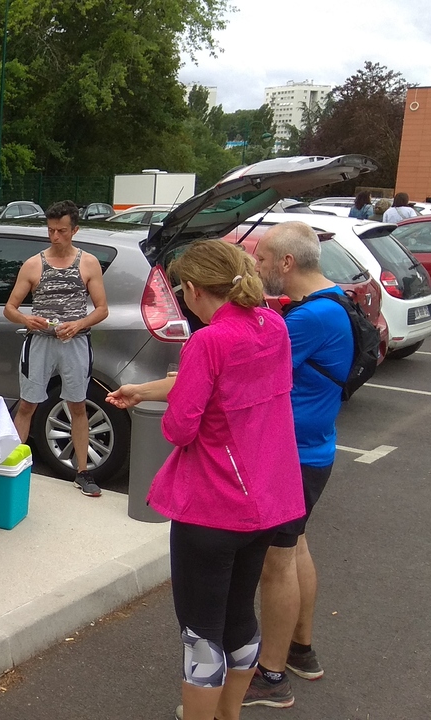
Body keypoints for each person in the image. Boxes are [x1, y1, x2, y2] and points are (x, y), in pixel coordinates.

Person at [106, 240, 305, 720]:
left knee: (201, 633)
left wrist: (165, 397)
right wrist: (148, 389)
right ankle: (228, 713)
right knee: (239, 618)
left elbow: (180, 428)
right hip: (266, 500)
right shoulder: (273, 325)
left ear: (194, 289)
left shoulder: (207, 341)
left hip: (213, 505)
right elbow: (228, 383)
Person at [241, 222, 354, 709]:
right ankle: (300, 650)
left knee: (276, 563)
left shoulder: (309, 318)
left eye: (262, 258)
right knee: (295, 546)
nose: (257, 266)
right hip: (314, 449)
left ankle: (271, 676)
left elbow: (249, 368)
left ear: (287, 262)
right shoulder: (334, 301)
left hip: (293, 456)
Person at [3, 200, 109, 497]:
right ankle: (12, 467)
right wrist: (26, 319)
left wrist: (79, 324)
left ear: (75, 230)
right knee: (27, 404)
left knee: (78, 404)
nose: (55, 236)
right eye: (51, 230)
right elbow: (9, 308)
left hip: (75, 341)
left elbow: (102, 309)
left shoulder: (88, 263)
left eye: (61, 231)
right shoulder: (34, 264)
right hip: (40, 341)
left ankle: (83, 472)